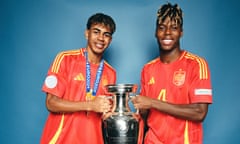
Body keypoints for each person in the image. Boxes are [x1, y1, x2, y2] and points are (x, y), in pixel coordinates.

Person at [132, 3, 213, 144]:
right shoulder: (148, 69)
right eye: (162, 28)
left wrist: (152, 103)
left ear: (181, 32)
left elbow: (199, 112)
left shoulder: (196, 64)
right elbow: (144, 115)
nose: (167, 33)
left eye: (174, 28)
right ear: (155, 32)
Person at [40, 13, 117, 144]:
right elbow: (51, 103)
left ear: (110, 40)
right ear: (87, 33)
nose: (101, 38)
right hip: (61, 140)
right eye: (96, 32)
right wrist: (90, 105)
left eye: (106, 34)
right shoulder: (65, 59)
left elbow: (104, 112)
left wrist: (111, 113)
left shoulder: (111, 72)